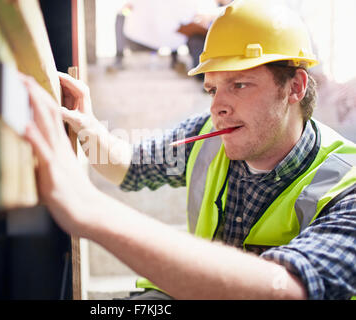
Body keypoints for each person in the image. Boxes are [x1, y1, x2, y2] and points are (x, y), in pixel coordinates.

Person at [22, 0, 356, 299]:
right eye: (212, 89)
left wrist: (90, 208)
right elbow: (128, 168)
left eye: (239, 84)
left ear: (295, 87)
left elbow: (288, 290)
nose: (218, 107)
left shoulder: (346, 187)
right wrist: (90, 128)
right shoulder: (208, 135)